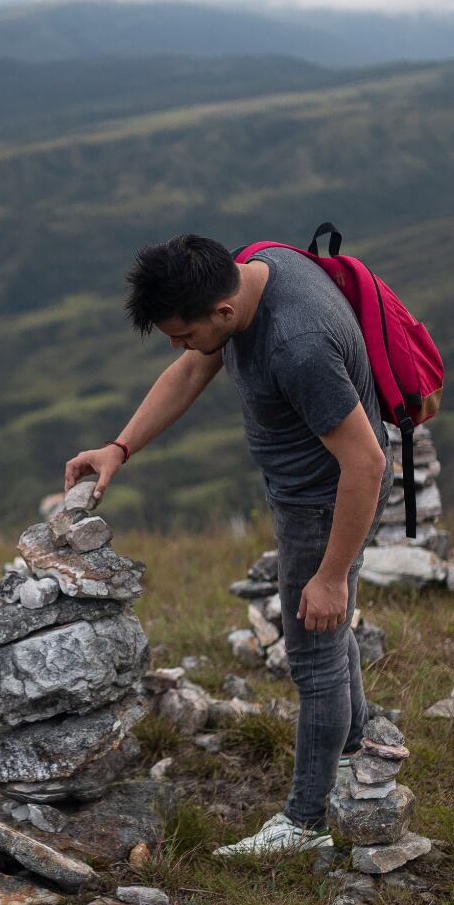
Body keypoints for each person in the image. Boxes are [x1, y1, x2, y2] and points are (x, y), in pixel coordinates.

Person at [63, 233, 391, 856]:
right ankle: (355, 749)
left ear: (222, 313)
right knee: (331, 626)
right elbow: (192, 367)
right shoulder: (250, 277)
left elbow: (367, 465)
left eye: (183, 333)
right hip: (308, 493)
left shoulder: (298, 344)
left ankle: (306, 822)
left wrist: (331, 571)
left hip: (325, 502)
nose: (179, 347)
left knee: (315, 651)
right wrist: (120, 447)